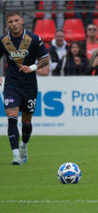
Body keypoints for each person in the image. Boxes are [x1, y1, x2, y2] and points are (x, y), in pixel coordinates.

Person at [0, 11, 49, 165]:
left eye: (16, 20)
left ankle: (24, 146)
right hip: (11, 85)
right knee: (12, 117)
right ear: (7, 24)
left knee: (26, 121)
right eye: (10, 22)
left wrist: (32, 67)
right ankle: (15, 155)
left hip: (29, 86)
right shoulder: (3, 40)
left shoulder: (33, 39)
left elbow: (45, 59)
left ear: (21, 20)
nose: (14, 24)